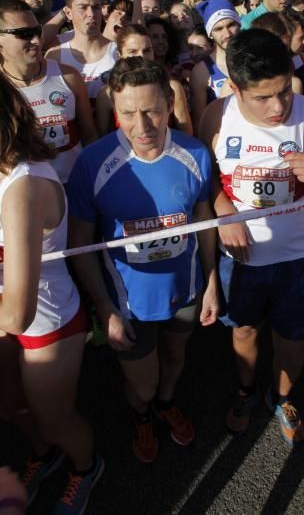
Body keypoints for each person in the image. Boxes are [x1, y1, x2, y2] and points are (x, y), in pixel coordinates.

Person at [67, 57, 219, 464]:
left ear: (170, 103)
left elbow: (204, 220)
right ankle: (143, 414)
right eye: (128, 113)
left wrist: (211, 283)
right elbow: (81, 243)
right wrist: (105, 309)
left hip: (185, 291)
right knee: (143, 383)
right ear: (114, 109)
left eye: (151, 110)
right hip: (127, 304)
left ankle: (165, 404)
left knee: (175, 358)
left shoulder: (195, 154)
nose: (142, 126)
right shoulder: (93, 163)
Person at [200, 28, 304, 445]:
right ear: (234, 88)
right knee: (244, 332)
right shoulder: (216, 115)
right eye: (262, 97)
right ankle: (246, 390)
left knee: (294, 343)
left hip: (299, 257)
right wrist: (223, 209)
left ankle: (281, 397)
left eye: (283, 91)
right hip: (240, 259)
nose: (278, 106)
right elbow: (204, 175)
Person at [0, 73, 102, 513]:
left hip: (45, 322)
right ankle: (44, 456)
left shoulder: (23, 187)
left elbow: (17, 315)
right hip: (10, 318)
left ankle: (85, 467)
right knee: (12, 409)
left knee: (55, 418)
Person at [0, 0, 97, 183]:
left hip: (72, 187)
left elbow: (90, 136)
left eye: (37, 31)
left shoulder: (69, 77)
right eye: (25, 34)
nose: (36, 40)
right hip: (21, 196)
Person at [95, 24, 192, 137]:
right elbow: (103, 140)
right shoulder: (106, 94)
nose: (141, 56)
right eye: (133, 52)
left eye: (147, 50)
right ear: (119, 55)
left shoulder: (173, 87)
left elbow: (186, 136)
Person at [46, 0, 118, 108]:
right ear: (68, 13)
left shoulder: (118, 51)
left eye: (96, 7)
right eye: (83, 8)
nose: (91, 14)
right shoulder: (55, 56)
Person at [190, 0, 241, 135]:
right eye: (219, 29)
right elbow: (199, 122)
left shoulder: (254, 58)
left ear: (239, 25)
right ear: (210, 34)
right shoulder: (202, 71)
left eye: (231, 25)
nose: (227, 34)